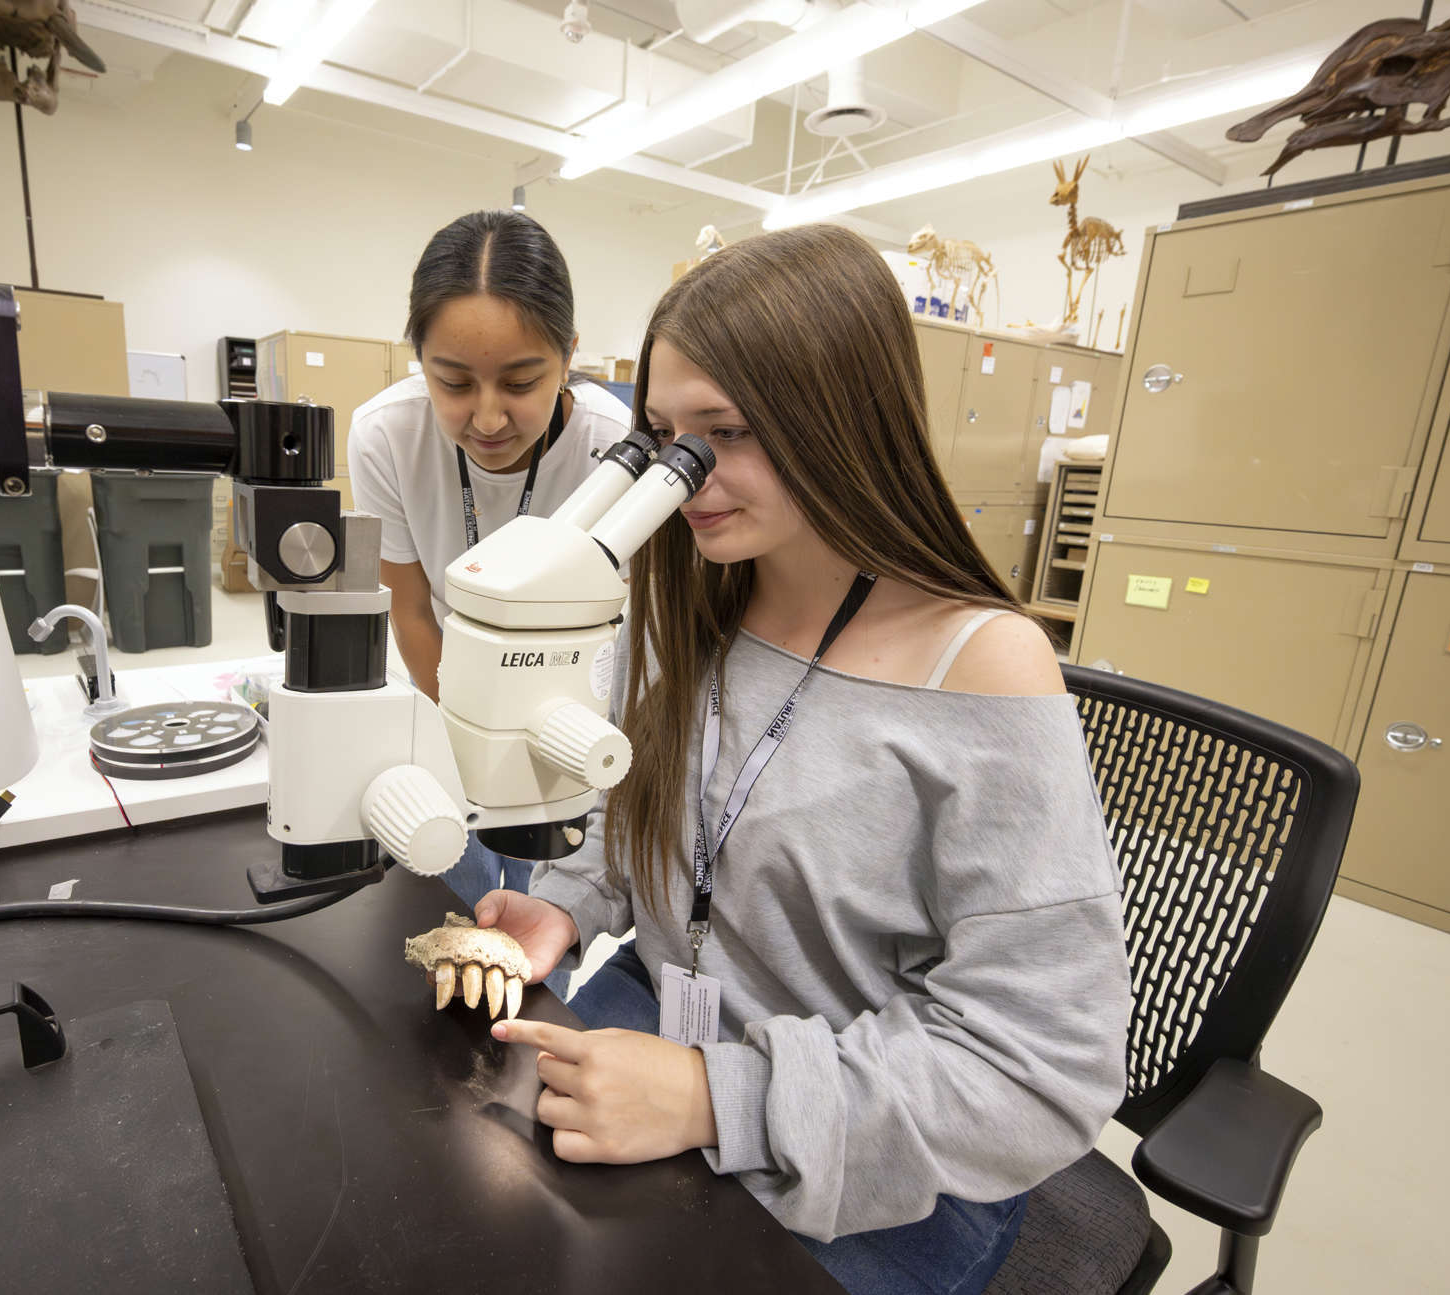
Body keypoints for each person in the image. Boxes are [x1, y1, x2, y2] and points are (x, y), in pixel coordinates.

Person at [472, 224, 1133, 1295]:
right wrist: (568, 903)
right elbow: (645, 817)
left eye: (725, 432)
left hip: (869, 1139)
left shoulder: (981, 666)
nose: (686, 477)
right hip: (667, 1028)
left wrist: (714, 1096)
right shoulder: (686, 600)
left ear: (842, 419)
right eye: (664, 436)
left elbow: (1039, 1065)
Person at [348, 211, 631, 917]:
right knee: (452, 905)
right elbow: (411, 610)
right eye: (452, 383)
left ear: (568, 353)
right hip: (450, 677)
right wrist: (468, 748)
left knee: (542, 921)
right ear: (419, 359)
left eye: (521, 381)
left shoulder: (614, 450)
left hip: (568, 694)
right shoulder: (386, 435)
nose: (488, 418)